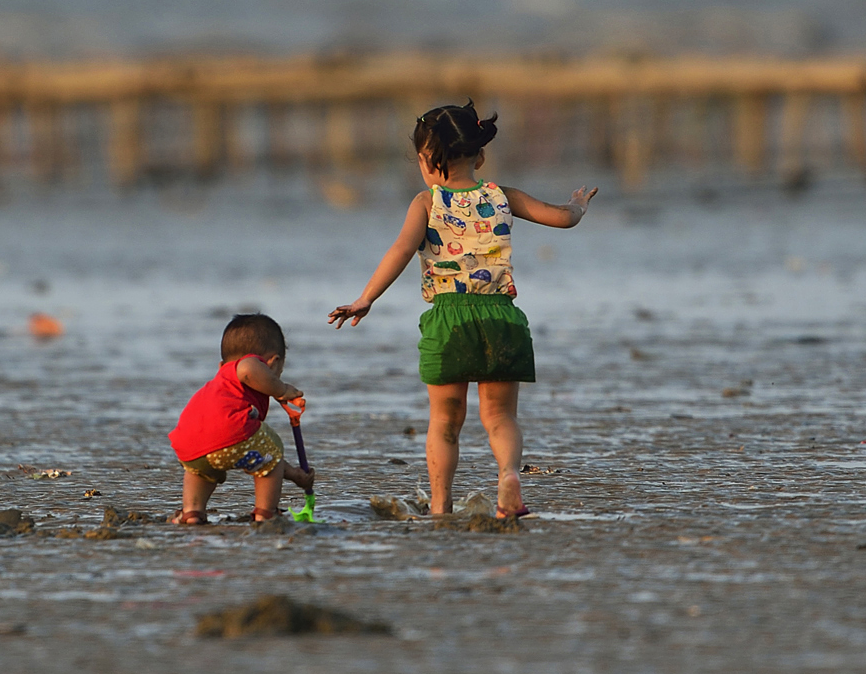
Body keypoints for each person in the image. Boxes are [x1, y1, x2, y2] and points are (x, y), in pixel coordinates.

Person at [328, 100, 597, 519]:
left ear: (426, 159)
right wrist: (578, 204)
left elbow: (401, 250)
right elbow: (563, 219)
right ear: (480, 155)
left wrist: (367, 297)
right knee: (500, 416)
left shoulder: (426, 203)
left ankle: (440, 505)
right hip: (501, 318)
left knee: (445, 422)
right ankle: (508, 474)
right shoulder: (502, 196)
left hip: (450, 319)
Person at [168, 313, 315, 524]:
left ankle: (192, 513)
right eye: (276, 373)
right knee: (272, 445)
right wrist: (280, 389)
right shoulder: (247, 365)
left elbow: (260, 455)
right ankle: (266, 513)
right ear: (272, 364)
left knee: (200, 472)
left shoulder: (222, 381)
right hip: (230, 434)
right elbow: (248, 368)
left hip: (189, 444)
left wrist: (294, 475)